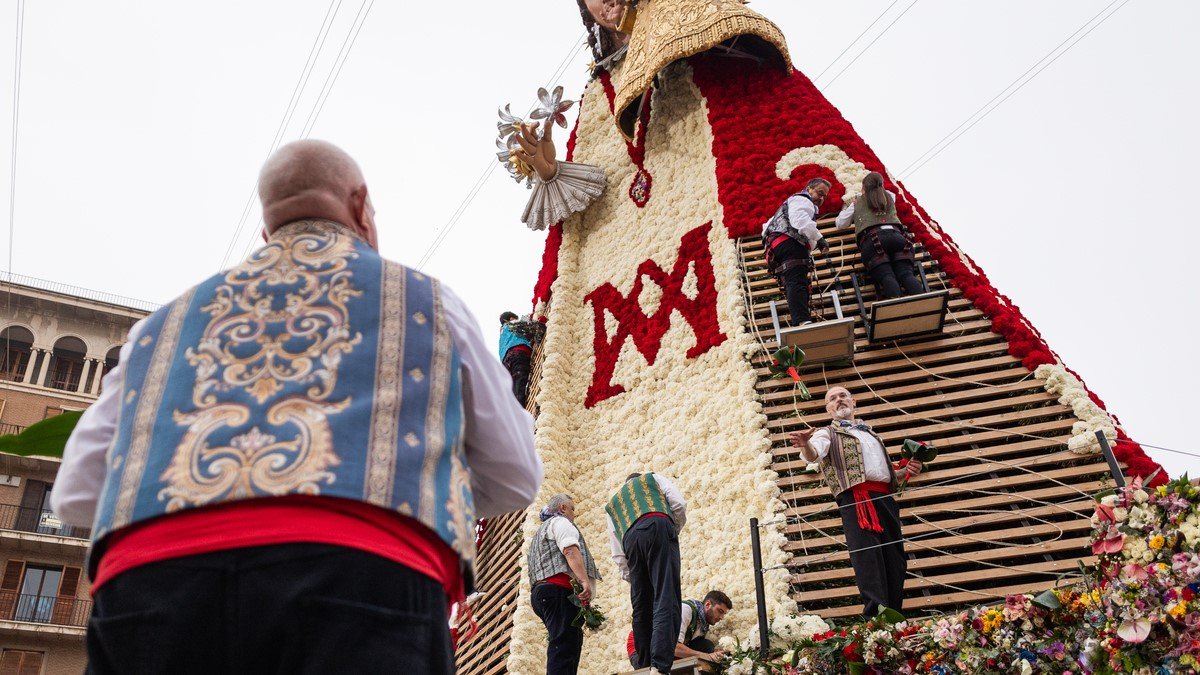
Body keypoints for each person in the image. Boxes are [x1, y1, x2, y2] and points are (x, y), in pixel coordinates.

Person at [51, 140, 543, 674]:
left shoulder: (157, 329)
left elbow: (76, 495)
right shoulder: (429, 301)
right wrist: (404, 480)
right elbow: (516, 474)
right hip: (362, 577)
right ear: (360, 207)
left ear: (267, 231)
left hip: (150, 590)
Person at [788, 386, 923, 617]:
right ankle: (876, 617)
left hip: (885, 498)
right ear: (828, 408)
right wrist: (806, 444)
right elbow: (814, 455)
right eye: (833, 398)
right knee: (867, 558)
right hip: (856, 500)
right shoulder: (826, 433)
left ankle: (894, 616)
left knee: (895, 558)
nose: (839, 400)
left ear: (854, 402)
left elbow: (883, 472)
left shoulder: (871, 433)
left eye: (843, 396)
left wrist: (903, 471)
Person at [606, 472, 687, 675]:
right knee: (666, 595)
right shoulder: (653, 478)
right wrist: (672, 530)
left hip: (631, 542)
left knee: (641, 606)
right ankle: (659, 666)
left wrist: (632, 578)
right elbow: (678, 503)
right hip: (659, 525)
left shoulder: (613, 505)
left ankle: (643, 665)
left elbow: (617, 552)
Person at [527, 493, 603, 675]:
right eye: (572, 509)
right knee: (564, 647)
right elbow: (569, 550)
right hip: (558, 590)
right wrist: (584, 580)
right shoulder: (561, 523)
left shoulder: (540, 533)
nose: (574, 514)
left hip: (541, 594)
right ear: (562, 508)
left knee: (565, 644)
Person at [835, 172, 923, 299]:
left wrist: (853, 204)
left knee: (887, 276)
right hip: (898, 237)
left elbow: (840, 223)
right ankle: (922, 301)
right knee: (906, 274)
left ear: (864, 187)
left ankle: (897, 306)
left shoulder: (858, 201)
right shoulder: (890, 196)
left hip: (873, 240)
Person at [762, 178, 831, 326]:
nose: (821, 198)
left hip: (777, 248)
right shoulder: (803, 200)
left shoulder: (787, 205)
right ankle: (802, 321)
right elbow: (800, 221)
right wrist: (819, 239)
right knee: (797, 281)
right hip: (790, 244)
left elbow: (766, 227)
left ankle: (800, 320)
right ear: (808, 188)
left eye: (824, 196)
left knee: (794, 281)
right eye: (820, 193)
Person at [625, 590, 732, 666]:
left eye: (724, 614)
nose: (721, 617)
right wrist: (707, 656)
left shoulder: (704, 623)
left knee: (706, 646)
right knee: (654, 669)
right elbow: (674, 647)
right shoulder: (685, 610)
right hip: (642, 645)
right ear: (708, 604)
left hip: (664, 649)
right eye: (720, 611)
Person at [499, 311, 533, 407]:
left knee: (513, 388)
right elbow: (529, 325)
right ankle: (521, 410)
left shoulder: (502, 333)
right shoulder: (511, 324)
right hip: (518, 353)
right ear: (511, 318)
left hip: (506, 362)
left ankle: (515, 412)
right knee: (520, 381)